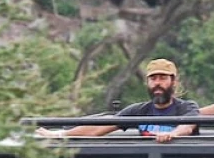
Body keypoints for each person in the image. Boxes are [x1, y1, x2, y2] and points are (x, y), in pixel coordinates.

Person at [45, 59, 199, 141]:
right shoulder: (140, 111)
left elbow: (187, 126)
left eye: (163, 78)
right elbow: (99, 128)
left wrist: (173, 134)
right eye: (153, 79)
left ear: (174, 82)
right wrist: (60, 135)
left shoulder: (186, 107)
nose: (157, 83)